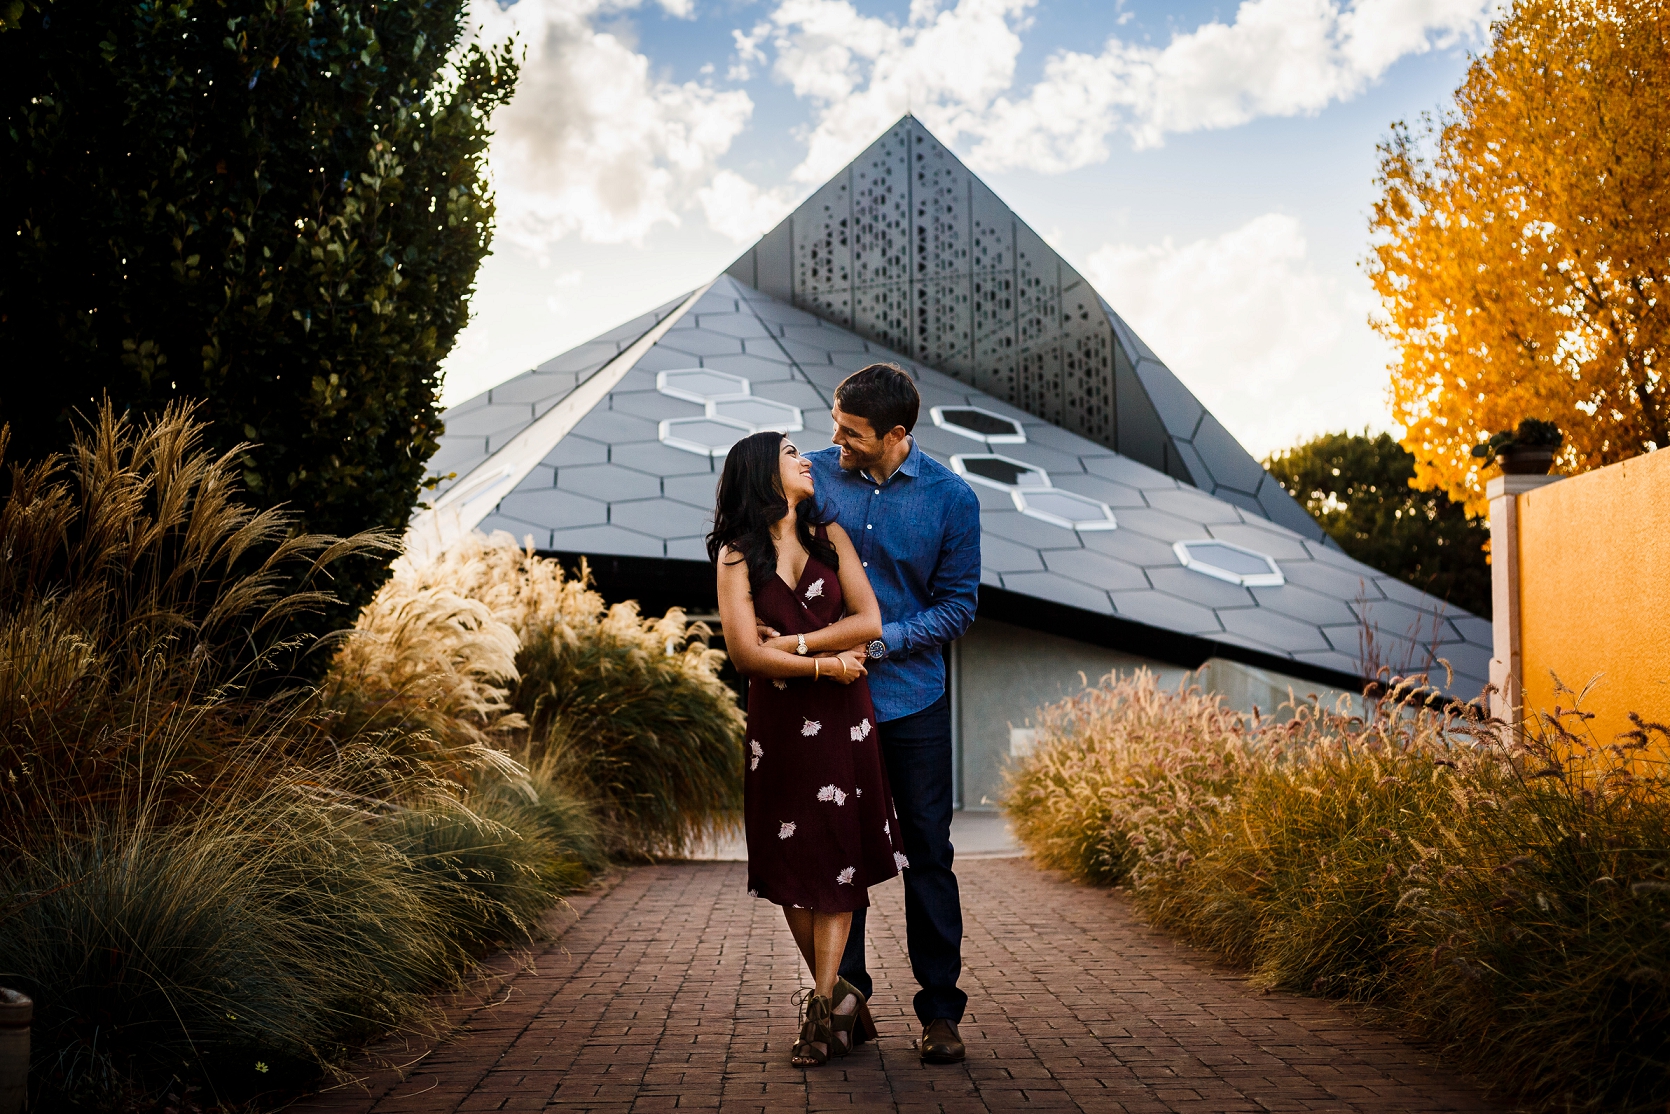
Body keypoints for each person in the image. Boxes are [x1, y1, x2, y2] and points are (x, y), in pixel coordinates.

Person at [708, 430, 909, 1067]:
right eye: (791, 452)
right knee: (793, 861)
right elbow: (744, 654)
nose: (806, 459)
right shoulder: (737, 556)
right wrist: (823, 661)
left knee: (840, 852)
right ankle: (841, 997)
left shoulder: (832, 538)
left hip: (845, 722)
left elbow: (869, 621)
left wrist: (790, 647)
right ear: (763, 472)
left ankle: (820, 1012)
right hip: (782, 729)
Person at [804, 363, 982, 1064]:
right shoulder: (811, 478)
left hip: (914, 703)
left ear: (897, 434)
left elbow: (958, 606)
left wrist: (881, 641)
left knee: (928, 856)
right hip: (830, 698)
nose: (835, 443)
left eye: (851, 433)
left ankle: (941, 1013)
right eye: (835, 426)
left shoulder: (952, 500)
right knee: (840, 857)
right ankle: (846, 1001)